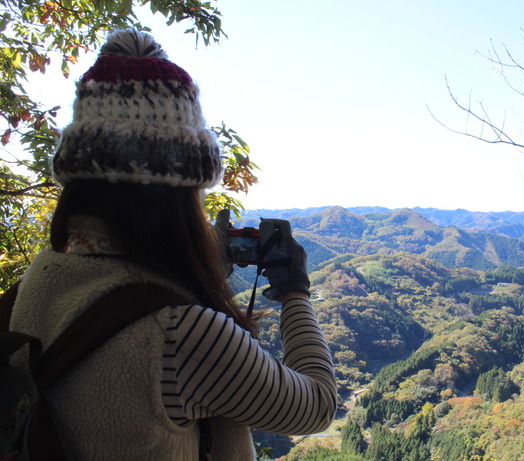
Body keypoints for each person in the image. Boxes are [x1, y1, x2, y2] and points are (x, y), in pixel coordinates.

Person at [9, 28, 337, 460]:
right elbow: (315, 406)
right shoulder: (182, 333)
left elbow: (118, 287)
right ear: (179, 200)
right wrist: (294, 290)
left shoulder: (39, 280)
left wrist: (201, 260)